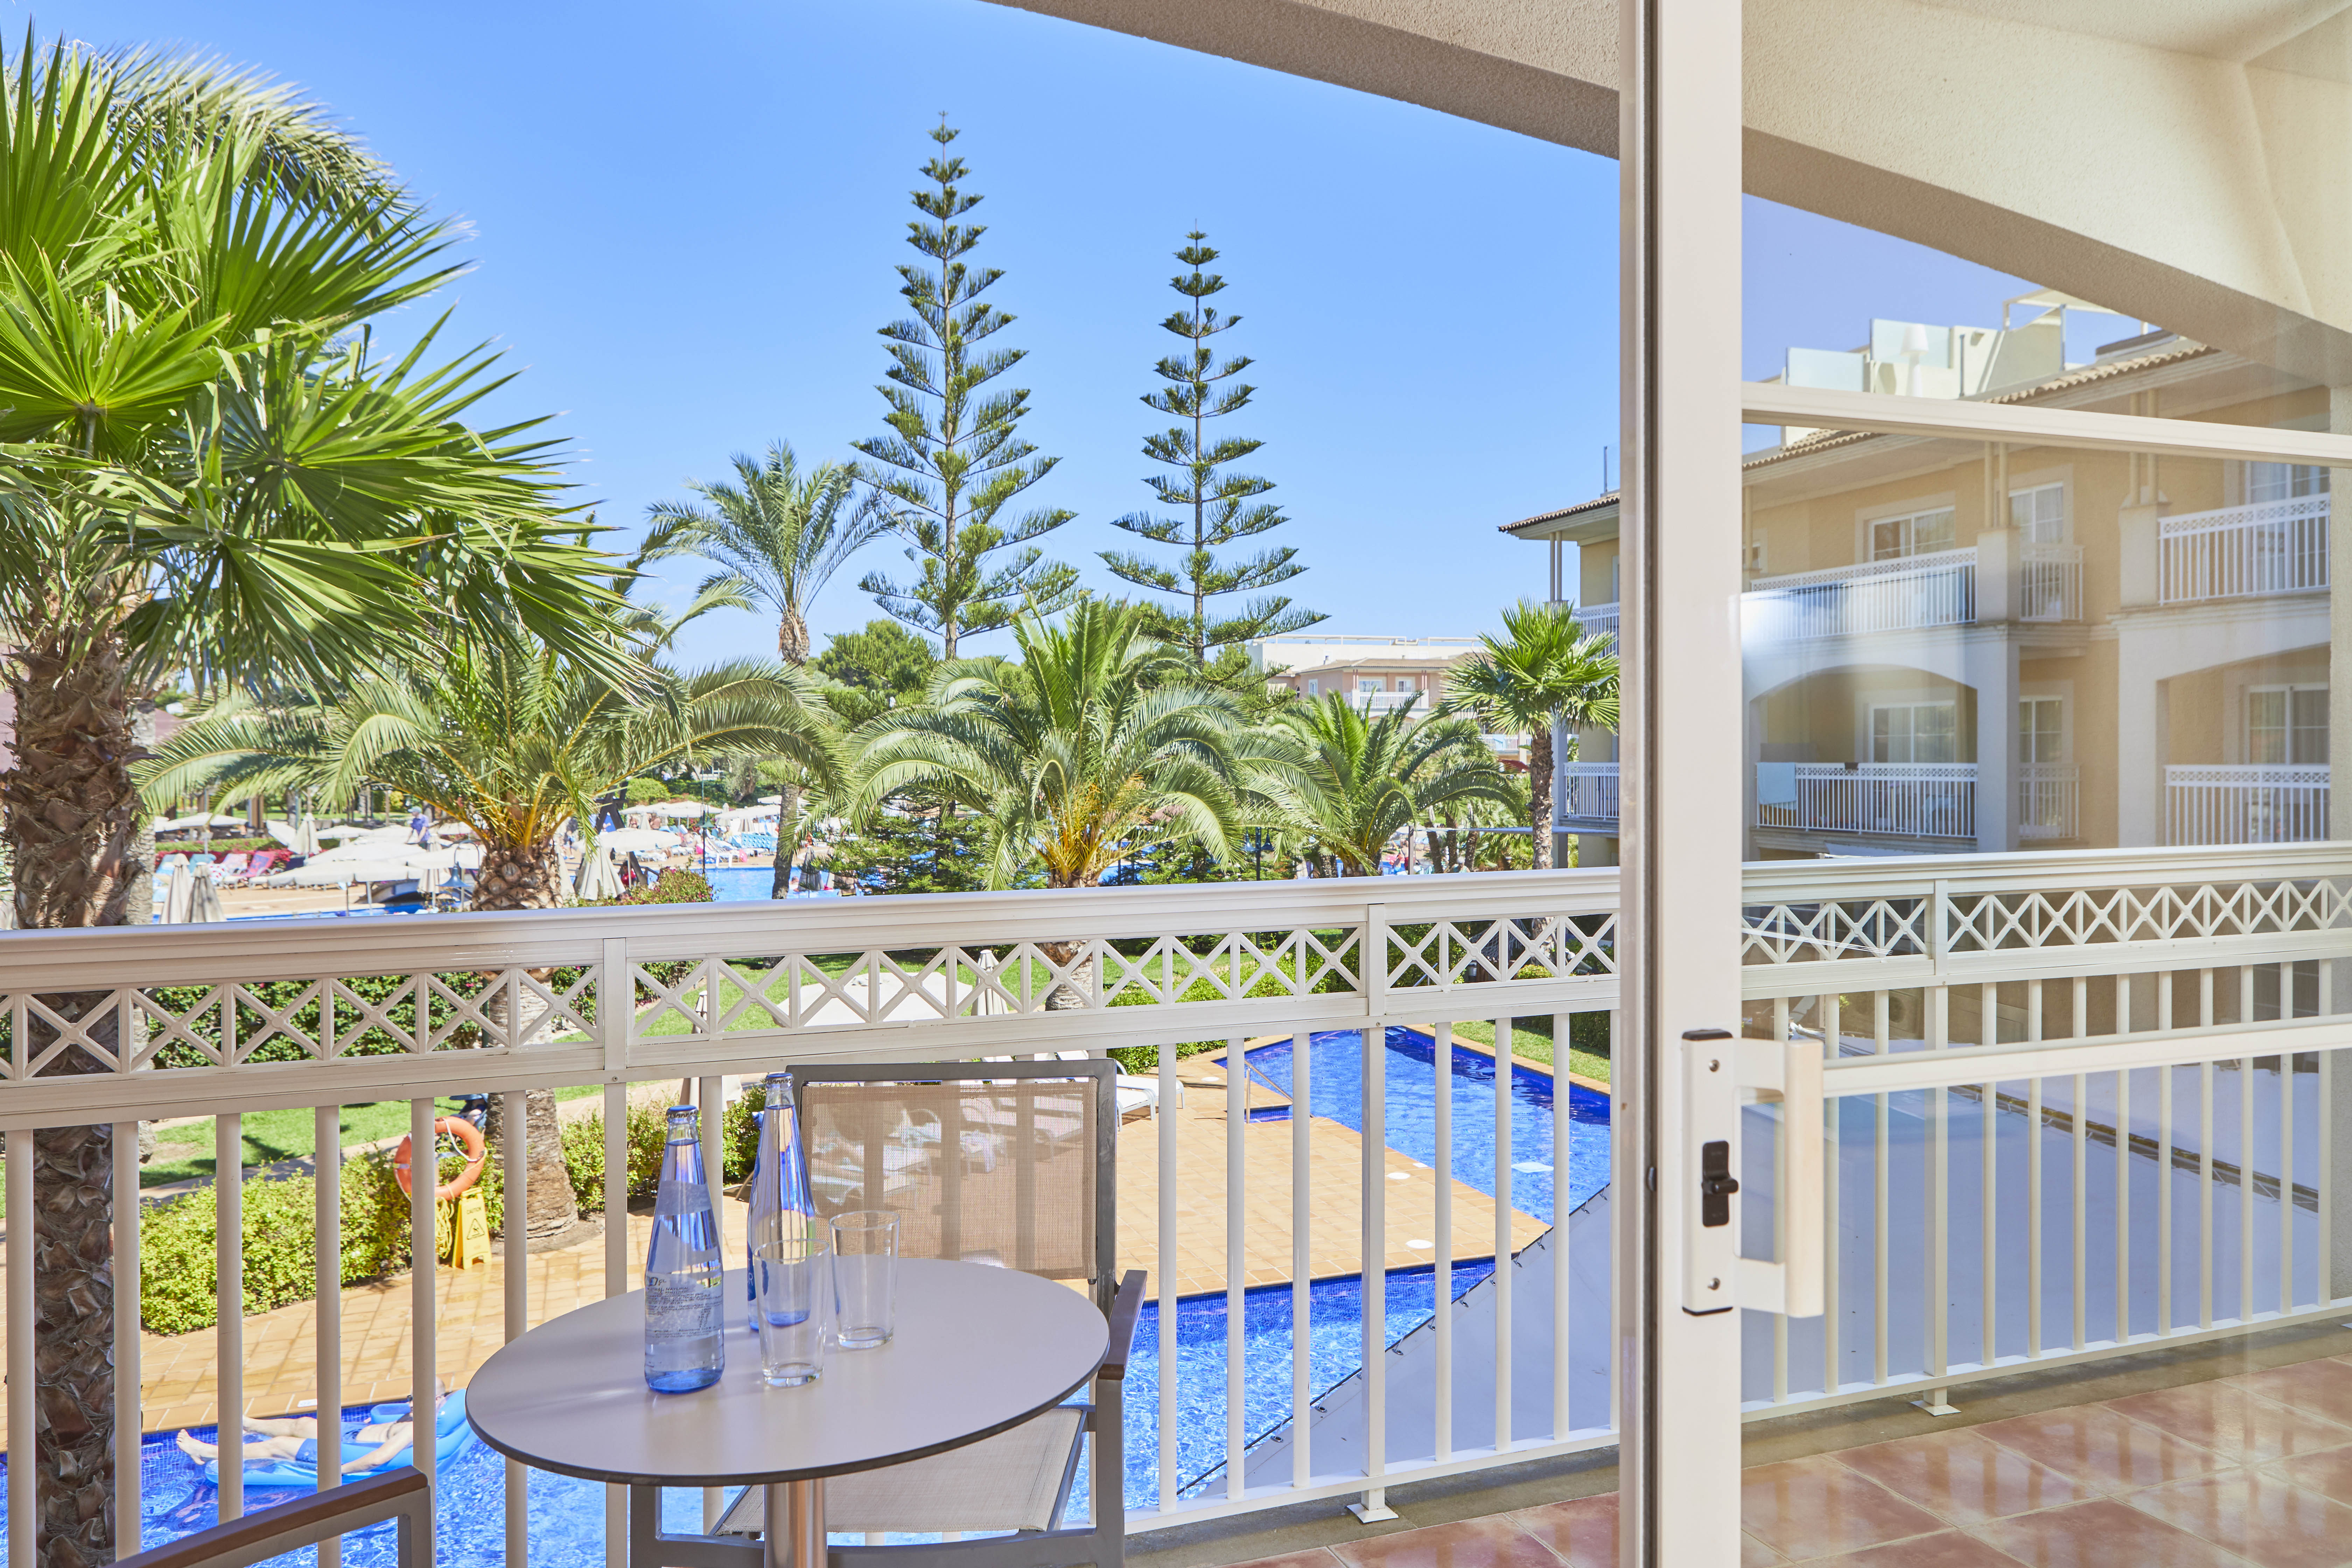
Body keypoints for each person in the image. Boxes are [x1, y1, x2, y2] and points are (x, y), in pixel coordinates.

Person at [176, 1383, 448, 1477]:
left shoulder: (418, 1428)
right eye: (411, 1398)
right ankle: (250, 1424)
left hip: (346, 1451)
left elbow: (379, 1458)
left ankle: (207, 1452)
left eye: (420, 1398)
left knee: (280, 1444)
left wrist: (340, 1471)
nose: (412, 1403)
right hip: (351, 1434)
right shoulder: (418, 1412)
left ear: (438, 1400)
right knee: (303, 1424)